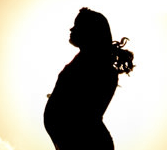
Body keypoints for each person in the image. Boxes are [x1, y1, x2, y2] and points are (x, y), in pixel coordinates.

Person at [43, 8, 135, 150]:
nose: (71, 29)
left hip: (88, 143)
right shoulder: (83, 62)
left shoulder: (101, 68)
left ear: (90, 31)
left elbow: (86, 113)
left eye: (77, 25)